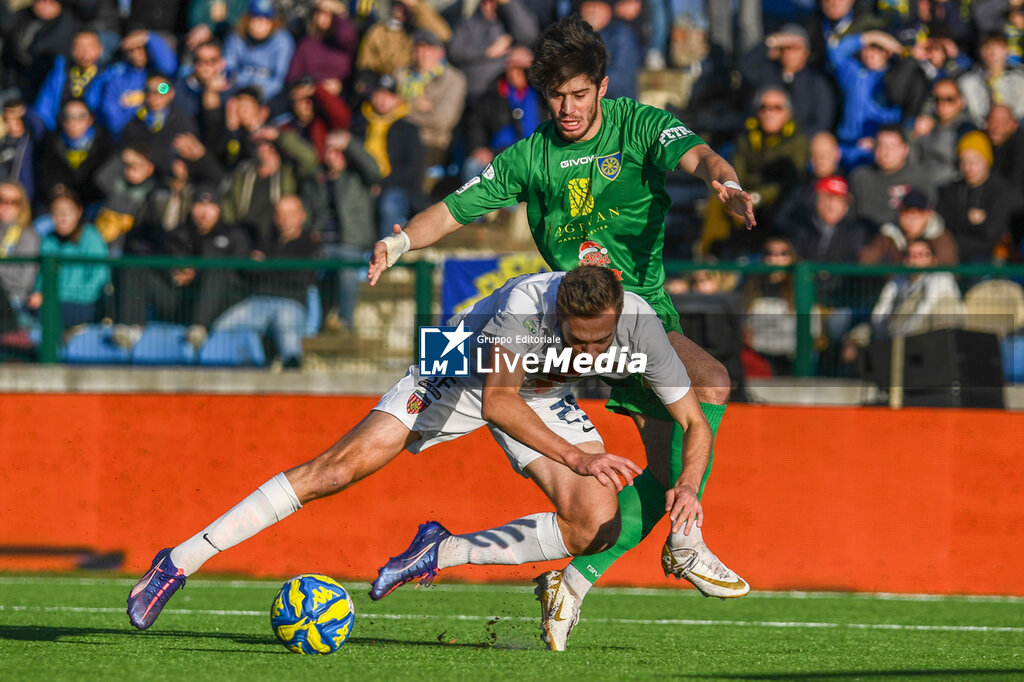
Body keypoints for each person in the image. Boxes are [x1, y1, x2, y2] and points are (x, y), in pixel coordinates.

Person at [367, 14, 754, 650]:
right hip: (573, 322)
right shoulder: (531, 156)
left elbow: (699, 154)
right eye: (557, 96)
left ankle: (559, 580)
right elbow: (454, 209)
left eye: (579, 94)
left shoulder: (639, 125)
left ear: (602, 86)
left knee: (647, 488)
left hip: (641, 316)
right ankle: (685, 545)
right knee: (711, 382)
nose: (569, 108)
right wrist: (399, 240)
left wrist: (725, 181)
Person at [126, 266, 704, 638]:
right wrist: (578, 457)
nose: (589, 349)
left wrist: (690, 487)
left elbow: (694, 424)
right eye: (577, 339)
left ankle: (439, 550)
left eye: (598, 342)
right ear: (558, 312)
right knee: (336, 471)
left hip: (541, 393)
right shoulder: (529, 302)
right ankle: (176, 563)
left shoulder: (640, 326)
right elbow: (498, 401)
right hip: (457, 370)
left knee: (595, 524)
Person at [210, 195, 318, 367]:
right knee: (220, 328)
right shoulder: (267, 241)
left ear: (302, 216)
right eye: (281, 214)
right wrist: (279, 268)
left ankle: (292, 375)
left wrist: (265, 266)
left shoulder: (310, 244)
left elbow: (301, 277)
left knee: (288, 335)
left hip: (290, 303)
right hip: (258, 302)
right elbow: (250, 270)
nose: (285, 220)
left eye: (291, 214)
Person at [842, 238, 966, 363]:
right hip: (892, 354)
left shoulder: (944, 294)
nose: (914, 260)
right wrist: (855, 339)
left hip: (922, 362)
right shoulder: (897, 286)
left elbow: (945, 339)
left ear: (933, 260)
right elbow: (878, 323)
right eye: (910, 255)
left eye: (922, 255)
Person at [350, 75, 425, 239]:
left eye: (389, 96)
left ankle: (387, 253)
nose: (383, 100)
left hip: (397, 188)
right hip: (363, 185)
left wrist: (382, 184)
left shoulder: (408, 129)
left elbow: (413, 170)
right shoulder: (358, 125)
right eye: (379, 94)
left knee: (390, 203)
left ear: (398, 99)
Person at [26, 187, 109, 331]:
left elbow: (98, 278)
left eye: (68, 212)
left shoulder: (90, 235)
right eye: (57, 212)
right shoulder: (49, 240)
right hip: (52, 302)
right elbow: (42, 277)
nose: (63, 218)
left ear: (79, 212)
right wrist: (38, 293)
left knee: (48, 315)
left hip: (82, 304)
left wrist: (52, 295)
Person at [936, 130, 1023, 263]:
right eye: (963, 162)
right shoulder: (952, 190)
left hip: (988, 259)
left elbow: (991, 231)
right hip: (955, 254)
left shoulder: (1001, 191)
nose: (968, 168)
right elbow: (944, 223)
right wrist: (969, 219)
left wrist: (960, 220)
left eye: (974, 162)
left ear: (986, 161)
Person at [738, 23, 837, 137]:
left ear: (806, 52)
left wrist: (789, 139)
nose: (788, 52)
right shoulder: (768, 73)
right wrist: (772, 41)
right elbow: (744, 66)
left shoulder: (817, 82)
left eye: (794, 48)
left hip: (800, 145)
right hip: (762, 142)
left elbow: (822, 123)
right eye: (783, 47)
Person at [397, 30, 467, 171]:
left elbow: (442, 120)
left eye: (428, 49)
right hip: (396, 136)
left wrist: (403, 107)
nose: (422, 53)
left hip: (430, 141)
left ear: (440, 53)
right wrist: (413, 105)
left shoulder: (453, 79)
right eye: (418, 48)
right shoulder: (400, 74)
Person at [848, 125, 936, 231]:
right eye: (881, 146)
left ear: (905, 149)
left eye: (892, 146)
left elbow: (928, 218)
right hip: (865, 238)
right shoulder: (859, 177)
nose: (886, 152)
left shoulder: (920, 178)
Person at [98, 30, 178, 137]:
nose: (136, 54)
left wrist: (149, 37)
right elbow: (110, 112)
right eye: (131, 50)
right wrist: (130, 133)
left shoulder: (157, 74)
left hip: (159, 135)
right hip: (128, 137)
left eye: (140, 48)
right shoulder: (117, 76)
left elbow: (169, 66)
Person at [39, 99, 115, 210]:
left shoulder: (106, 143)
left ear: (90, 120)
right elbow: (46, 178)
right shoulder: (50, 143)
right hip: (62, 205)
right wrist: (55, 188)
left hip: (95, 204)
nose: (73, 121)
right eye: (68, 116)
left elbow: (108, 182)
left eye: (81, 116)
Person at [32, 28, 109, 133]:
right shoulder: (60, 71)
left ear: (100, 49)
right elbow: (44, 106)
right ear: (72, 50)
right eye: (79, 47)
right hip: (59, 132)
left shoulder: (108, 75)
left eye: (90, 46)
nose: (84, 52)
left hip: (95, 136)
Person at [860, 187, 958, 266]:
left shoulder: (940, 236)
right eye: (907, 212)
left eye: (919, 212)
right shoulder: (888, 236)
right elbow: (864, 263)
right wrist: (903, 262)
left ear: (928, 214)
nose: (912, 218)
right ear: (899, 214)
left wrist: (928, 264)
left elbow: (950, 269)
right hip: (898, 287)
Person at [224, 0, 295, 102]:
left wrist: (258, 98)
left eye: (266, 19)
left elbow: (280, 78)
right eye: (256, 18)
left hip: (268, 93)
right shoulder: (237, 35)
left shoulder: (283, 40)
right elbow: (229, 66)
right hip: (239, 89)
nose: (260, 24)